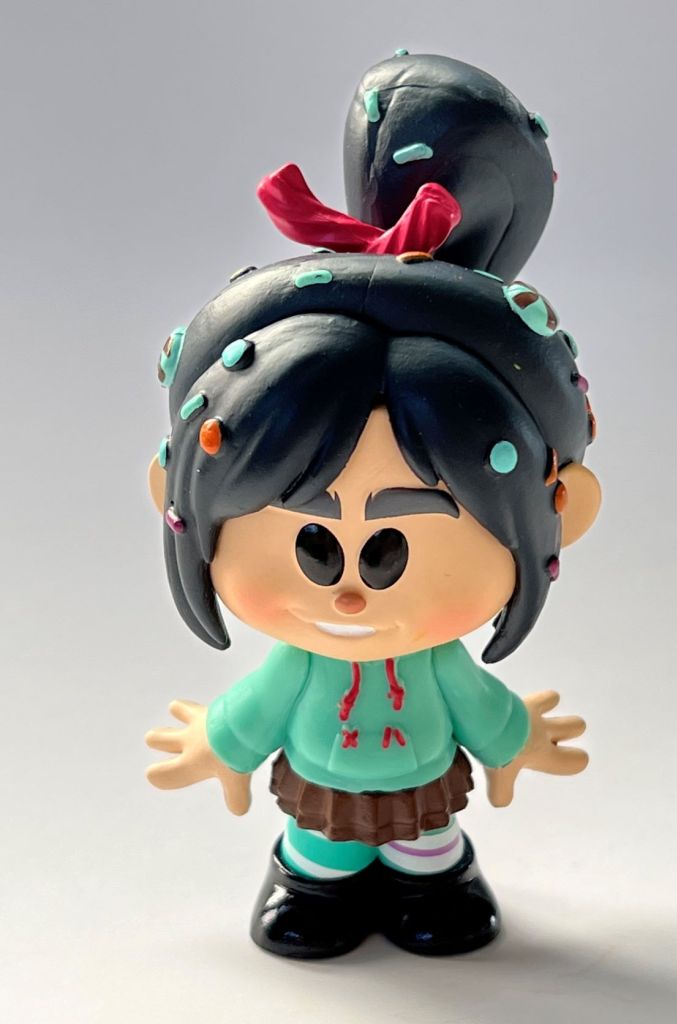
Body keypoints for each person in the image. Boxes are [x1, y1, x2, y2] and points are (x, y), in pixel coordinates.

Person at [145, 51, 601, 959]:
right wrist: (215, 746)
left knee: (426, 845)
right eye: (312, 545)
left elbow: (478, 703)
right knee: (322, 847)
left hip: (420, 787)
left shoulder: (434, 660)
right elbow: (254, 711)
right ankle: (311, 884)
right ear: (176, 496)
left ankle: (438, 879)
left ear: (563, 513)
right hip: (322, 790)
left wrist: (520, 739)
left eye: (392, 549)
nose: (350, 591)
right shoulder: (301, 663)